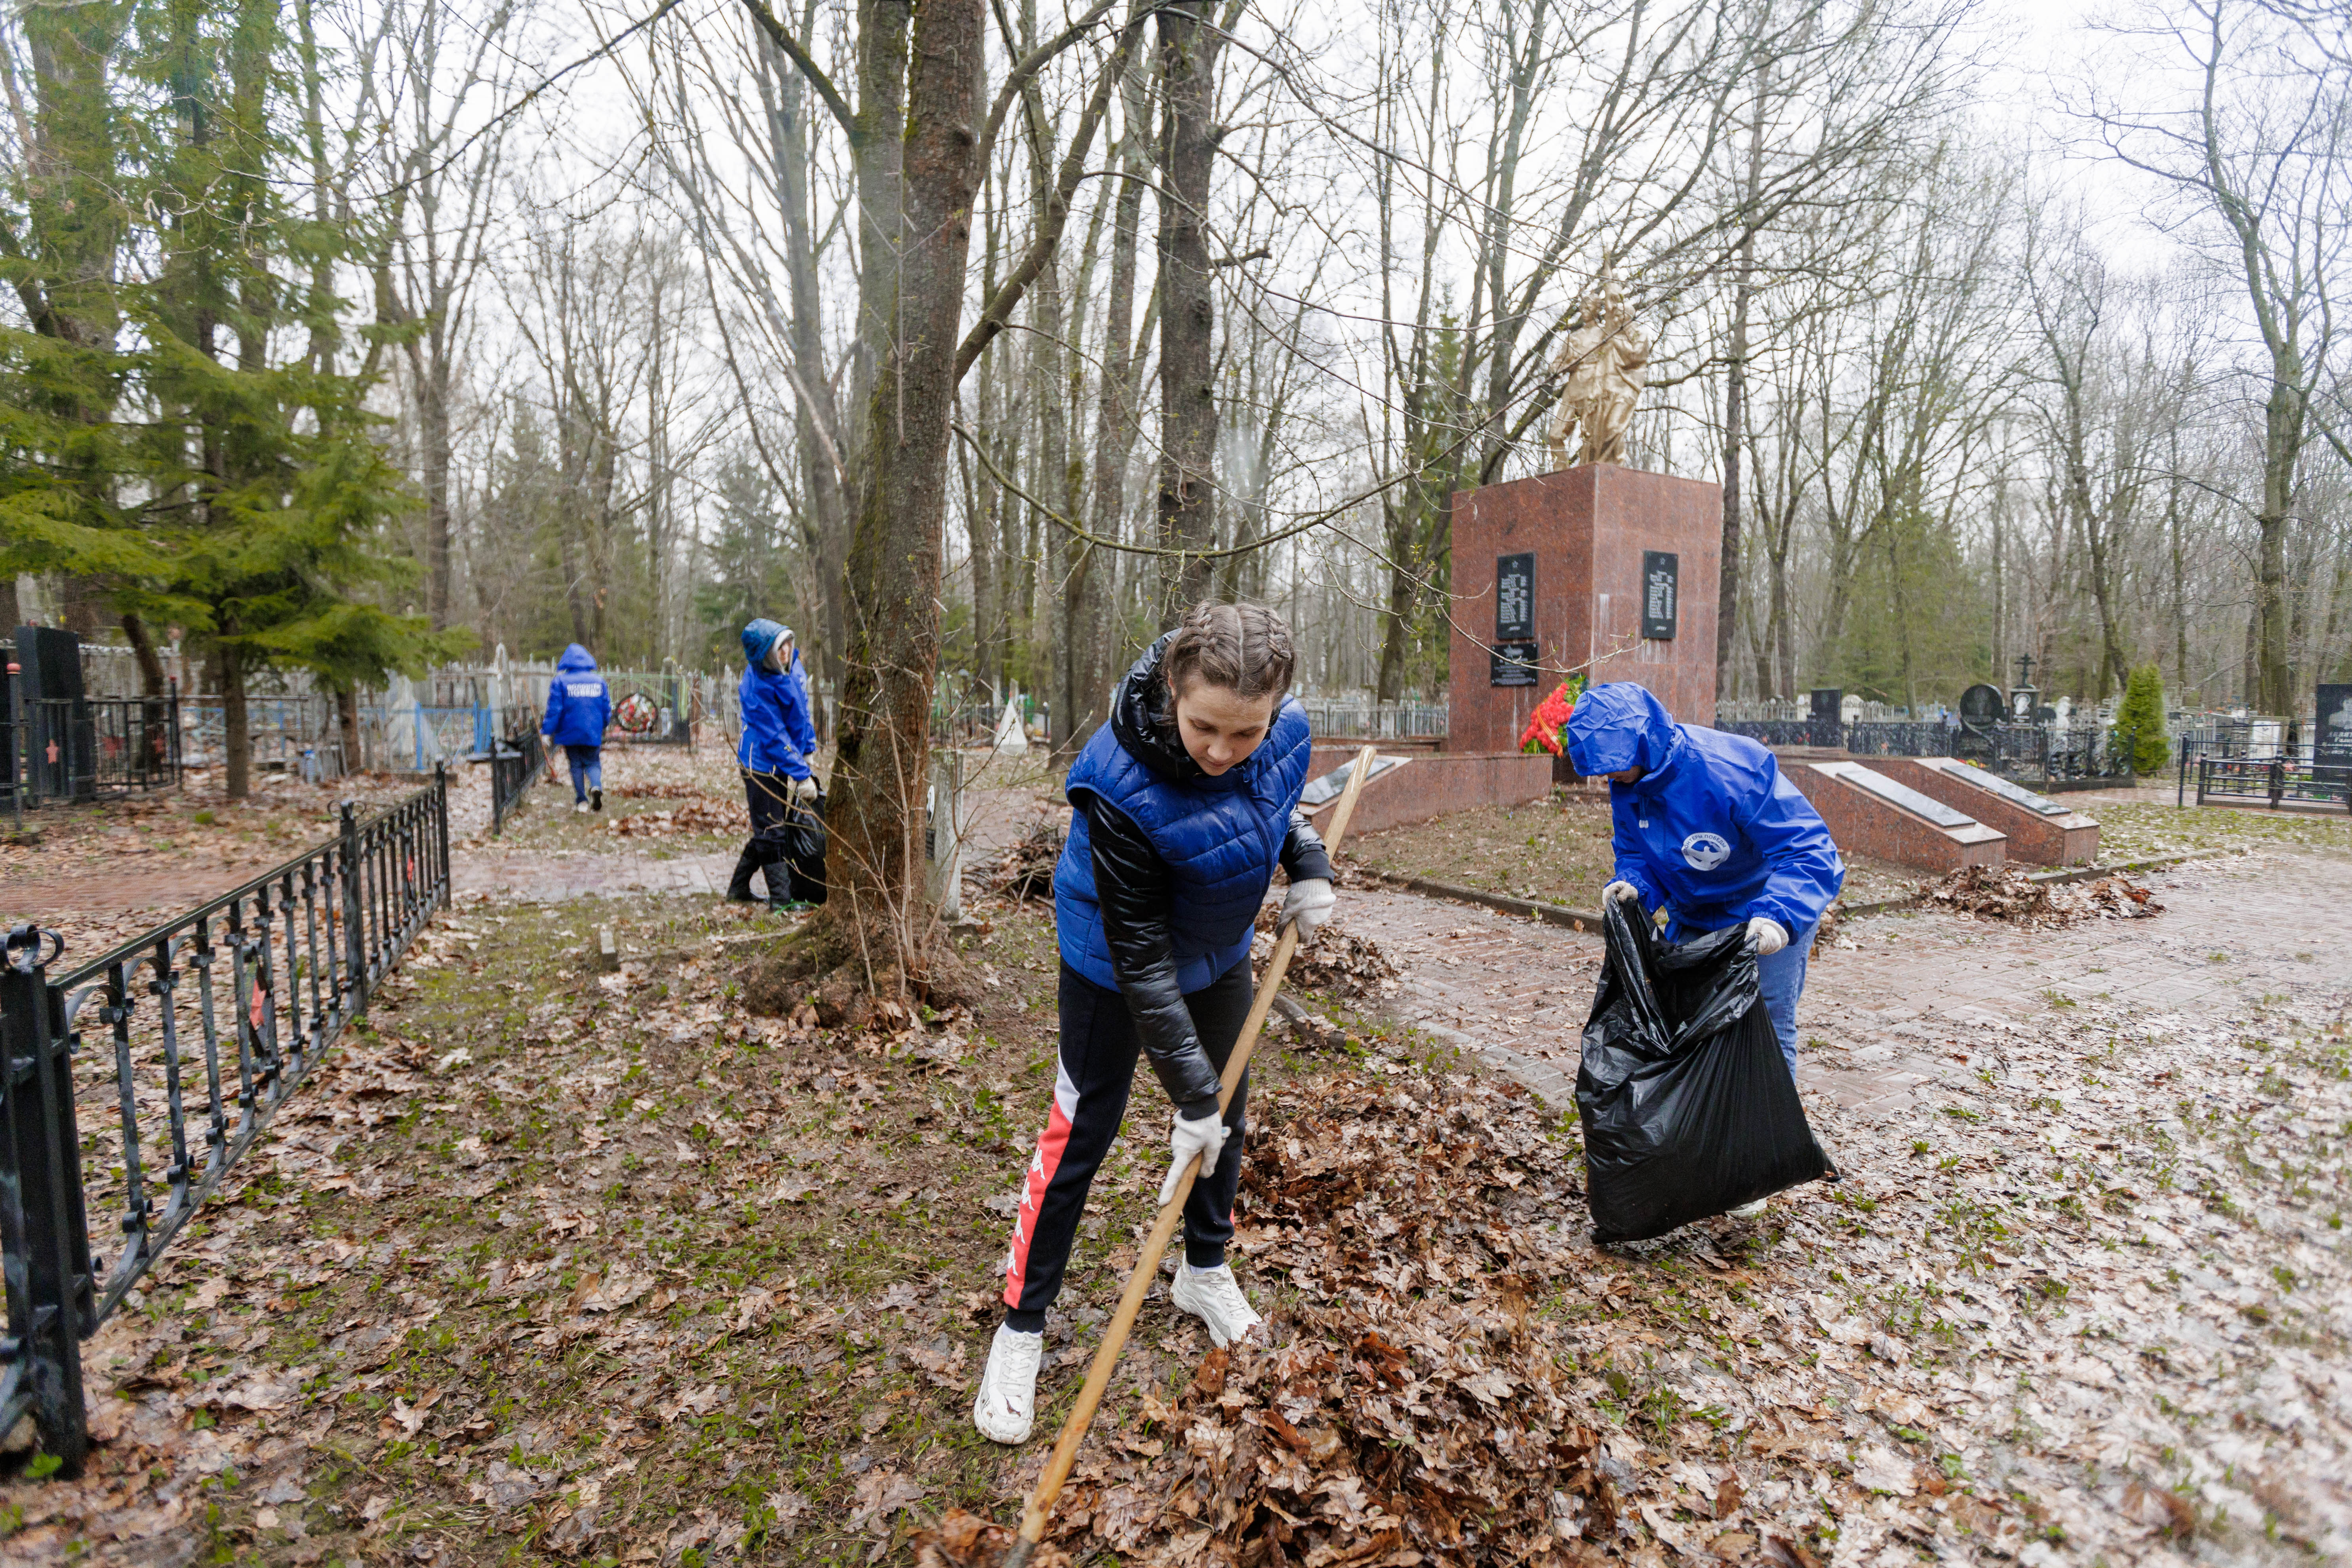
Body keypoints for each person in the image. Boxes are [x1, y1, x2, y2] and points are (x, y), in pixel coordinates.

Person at [973, 603, 1336, 1445]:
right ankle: (1020, 1323)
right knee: (1082, 1129)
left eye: (1243, 732)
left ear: (1276, 707)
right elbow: (1140, 957)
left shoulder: (1282, 735)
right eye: (1204, 725)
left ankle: (1202, 1270)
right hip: (1114, 957)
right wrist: (1186, 1094)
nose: (1220, 750)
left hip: (1215, 946)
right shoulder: (1116, 782)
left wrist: (1307, 863)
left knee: (1229, 1113)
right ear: (1173, 686)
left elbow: (1271, 804)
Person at [1564, 682, 1844, 1216]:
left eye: (1616, 767)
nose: (1611, 779)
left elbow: (1809, 850)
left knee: (1764, 1024)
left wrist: (1778, 917)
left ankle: (1753, 1162)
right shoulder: (1629, 781)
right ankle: (1699, 1135)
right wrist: (1634, 886)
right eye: (1604, 770)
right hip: (1695, 913)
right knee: (1686, 1021)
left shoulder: (1731, 769)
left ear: (1643, 744)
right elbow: (1639, 849)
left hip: (1765, 908)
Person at [729, 619, 818, 907]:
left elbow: (802, 711)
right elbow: (774, 735)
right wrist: (802, 774)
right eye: (780, 648)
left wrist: (807, 749)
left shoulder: (793, 667)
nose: (787, 651)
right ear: (766, 654)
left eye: (789, 643)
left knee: (769, 825)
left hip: (780, 762)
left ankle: (737, 889)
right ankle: (781, 900)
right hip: (760, 765)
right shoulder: (756, 688)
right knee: (771, 830)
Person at [540, 644, 612, 814]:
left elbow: (555, 710)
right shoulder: (599, 681)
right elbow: (606, 707)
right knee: (594, 762)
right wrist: (604, 724)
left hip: (569, 732)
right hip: (592, 732)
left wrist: (547, 731)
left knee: (576, 765)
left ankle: (582, 801)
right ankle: (596, 786)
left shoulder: (560, 682)